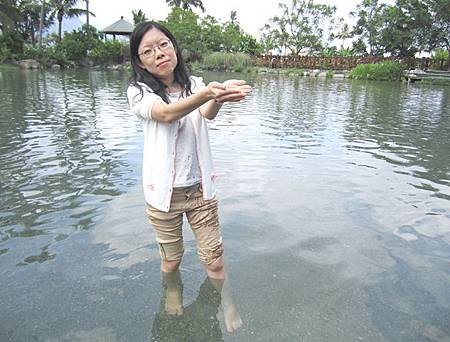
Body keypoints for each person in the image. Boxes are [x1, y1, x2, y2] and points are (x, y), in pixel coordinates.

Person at [127, 21, 250, 332]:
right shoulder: (138, 91)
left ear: (174, 47)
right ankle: (172, 292)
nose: (159, 53)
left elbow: (204, 113)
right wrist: (207, 93)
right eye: (148, 51)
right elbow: (167, 114)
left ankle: (228, 304)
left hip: (199, 190)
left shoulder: (194, 83)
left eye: (163, 44)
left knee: (215, 259)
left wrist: (217, 98)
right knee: (171, 260)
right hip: (162, 194)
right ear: (140, 61)